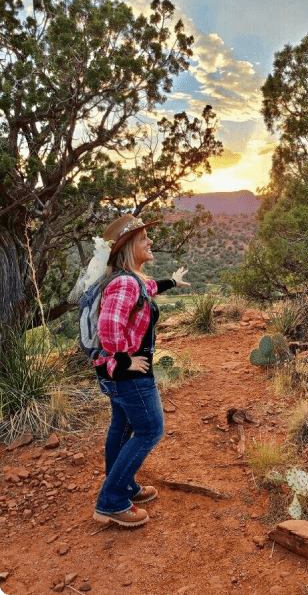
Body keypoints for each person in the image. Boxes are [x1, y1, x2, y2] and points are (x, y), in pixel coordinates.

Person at [91, 214, 190, 527]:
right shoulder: (123, 282)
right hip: (129, 374)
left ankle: (124, 486)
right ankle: (112, 501)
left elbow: (148, 289)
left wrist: (172, 281)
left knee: (121, 427)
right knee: (150, 430)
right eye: (144, 237)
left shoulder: (129, 279)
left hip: (115, 374)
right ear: (128, 246)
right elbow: (109, 326)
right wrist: (124, 361)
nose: (150, 242)